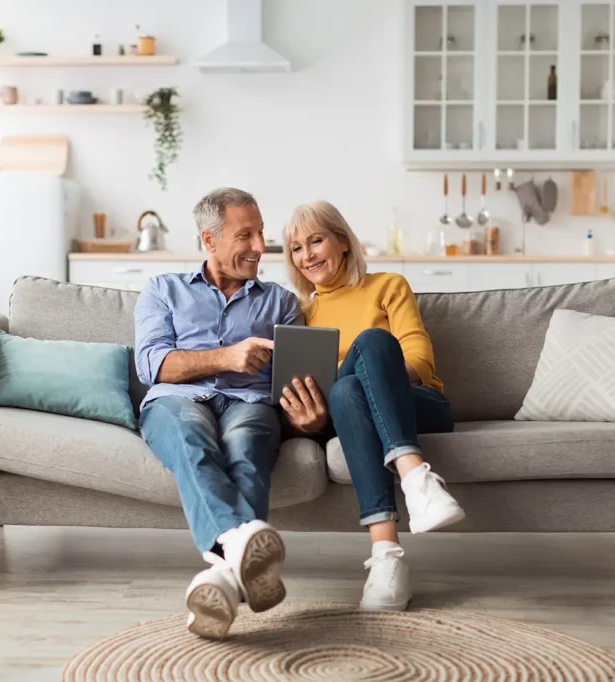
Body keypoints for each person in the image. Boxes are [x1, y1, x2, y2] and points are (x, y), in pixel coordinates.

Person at [277, 200, 465, 612]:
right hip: (345, 415)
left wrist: (363, 367)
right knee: (345, 394)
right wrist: (310, 415)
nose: (306, 255)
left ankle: (414, 484)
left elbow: (419, 362)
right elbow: (311, 392)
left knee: (374, 343)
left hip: (419, 405)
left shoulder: (387, 285)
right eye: (295, 248)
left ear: (342, 242)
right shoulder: (300, 314)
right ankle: (389, 556)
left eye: (316, 240)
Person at [134, 188, 302, 640]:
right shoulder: (162, 290)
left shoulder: (281, 303)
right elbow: (152, 365)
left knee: (248, 447)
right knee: (192, 442)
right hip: (177, 400)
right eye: (244, 235)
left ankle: (220, 579)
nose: (258, 246)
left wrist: (309, 411)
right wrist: (228, 357)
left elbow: (298, 378)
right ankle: (237, 540)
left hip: (250, 403)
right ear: (209, 240)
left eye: (261, 233)